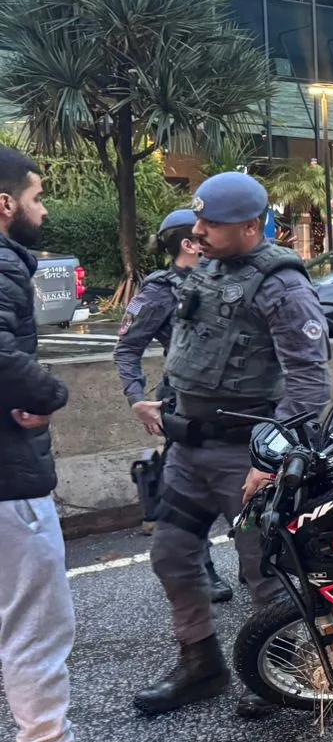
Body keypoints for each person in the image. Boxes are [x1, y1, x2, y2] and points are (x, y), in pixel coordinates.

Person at [133, 172, 332, 718]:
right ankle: (201, 664)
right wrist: (159, 399)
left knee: (263, 574)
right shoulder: (209, 270)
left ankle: (287, 669)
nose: (197, 230)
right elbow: (192, 350)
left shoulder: (281, 285)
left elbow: (310, 384)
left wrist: (274, 459)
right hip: (186, 451)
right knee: (172, 555)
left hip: (242, 454)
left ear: (251, 225)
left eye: (210, 222)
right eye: (197, 219)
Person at [0, 145, 140, 742]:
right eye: (35, 195)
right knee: (36, 621)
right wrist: (49, 393)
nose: (44, 207)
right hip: (7, 480)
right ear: (4, 204)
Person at [115, 208, 231, 603]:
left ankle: (260, 564)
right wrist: (137, 400)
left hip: (238, 404)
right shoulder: (161, 290)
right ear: (188, 244)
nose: (209, 235)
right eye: (204, 231)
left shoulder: (229, 278)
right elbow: (127, 349)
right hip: (187, 407)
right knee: (191, 494)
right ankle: (204, 570)